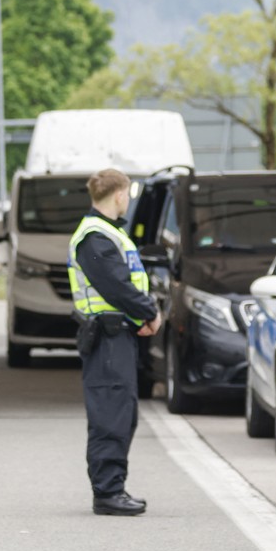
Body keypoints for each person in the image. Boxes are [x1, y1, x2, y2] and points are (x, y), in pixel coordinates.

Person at [68, 168, 160, 516]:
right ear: (119, 194)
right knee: (110, 413)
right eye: (128, 194)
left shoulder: (106, 233)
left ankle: (113, 488)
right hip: (107, 336)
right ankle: (107, 493)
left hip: (117, 333)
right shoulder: (96, 236)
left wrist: (141, 316)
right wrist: (150, 312)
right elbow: (117, 286)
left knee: (121, 412)